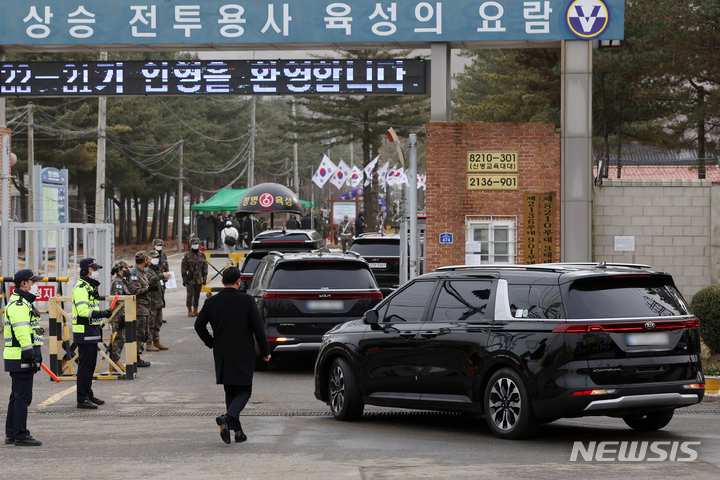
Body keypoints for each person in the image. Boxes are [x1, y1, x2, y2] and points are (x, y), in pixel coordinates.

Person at [194, 267, 271, 444]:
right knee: (244, 390)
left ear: (222, 282)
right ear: (239, 281)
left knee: (230, 390)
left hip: (222, 352)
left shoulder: (212, 302)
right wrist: (266, 352)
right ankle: (228, 419)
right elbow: (258, 329)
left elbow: (199, 325)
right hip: (243, 351)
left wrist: (212, 342)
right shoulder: (247, 300)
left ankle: (237, 432)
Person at [4, 269, 44, 446]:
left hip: (19, 356)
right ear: (24, 284)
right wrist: (30, 355)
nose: (34, 285)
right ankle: (20, 434)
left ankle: (12, 433)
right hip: (21, 356)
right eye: (32, 282)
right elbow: (21, 332)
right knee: (23, 397)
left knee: (17, 395)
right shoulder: (19, 305)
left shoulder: (22, 303)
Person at [72, 258, 113, 409]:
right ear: (84, 270)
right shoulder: (81, 288)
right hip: (84, 331)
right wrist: (101, 313)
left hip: (92, 330)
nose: (96, 272)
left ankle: (88, 394)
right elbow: (83, 311)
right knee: (85, 367)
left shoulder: (89, 287)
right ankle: (82, 398)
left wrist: (101, 314)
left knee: (90, 366)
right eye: (93, 269)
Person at [126, 251, 156, 367]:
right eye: (148, 259)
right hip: (138, 309)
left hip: (144, 308)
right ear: (145, 260)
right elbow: (135, 291)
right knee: (138, 334)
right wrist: (148, 289)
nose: (149, 261)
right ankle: (136, 358)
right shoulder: (135, 273)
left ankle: (137, 356)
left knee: (143, 334)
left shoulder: (141, 272)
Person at [108, 260, 132, 373]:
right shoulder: (117, 282)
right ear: (120, 270)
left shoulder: (123, 281)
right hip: (118, 316)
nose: (128, 271)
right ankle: (114, 363)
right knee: (118, 339)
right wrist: (122, 315)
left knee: (121, 339)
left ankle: (115, 361)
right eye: (126, 269)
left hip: (122, 314)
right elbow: (117, 300)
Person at [147, 250, 171, 351]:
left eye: (157, 257)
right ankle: (149, 343)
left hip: (159, 301)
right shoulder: (147, 270)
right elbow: (150, 279)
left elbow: (159, 280)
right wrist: (162, 276)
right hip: (152, 302)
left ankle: (156, 342)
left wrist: (165, 278)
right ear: (148, 259)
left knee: (158, 323)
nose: (156, 259)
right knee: (150, 324)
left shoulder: (158, 269)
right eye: (153, 257)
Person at [181, 237, 208, 317]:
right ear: (190, 245)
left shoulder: (202, 255)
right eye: (193, 244)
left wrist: (205, 278)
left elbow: (205, 267)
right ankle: (189, 310)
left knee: (197, 295)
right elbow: (183, 268)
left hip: (199, 278)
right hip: (190, 278)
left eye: (196, 244)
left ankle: (195, 309)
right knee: (190, 295)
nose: (195, 245)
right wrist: (184, 279)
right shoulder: (187, 256)